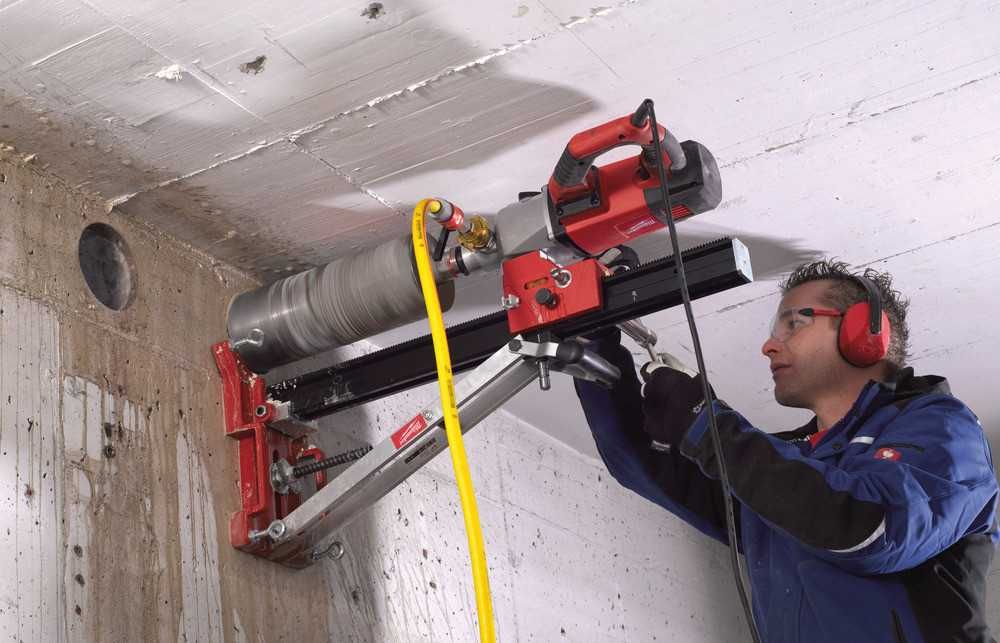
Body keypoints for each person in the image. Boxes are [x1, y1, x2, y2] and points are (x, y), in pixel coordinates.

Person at [575, 260, 999, 643]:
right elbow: (641, 461)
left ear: (865, 333)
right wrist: (591, 337)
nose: (769, 346)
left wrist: (710, 426)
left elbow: (869, 528)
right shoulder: (783, 469)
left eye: (793, 323)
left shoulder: (945, 429)